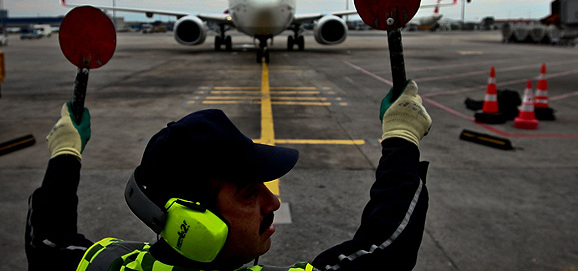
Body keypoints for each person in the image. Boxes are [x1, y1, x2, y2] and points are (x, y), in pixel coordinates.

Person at [25, 80, 432, 271]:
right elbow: (385, 251)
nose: (273, 202)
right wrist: (401, 135)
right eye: (249, 193)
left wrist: (65, 150)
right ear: (192, 221)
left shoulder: (104, 265)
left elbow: (47, 243)